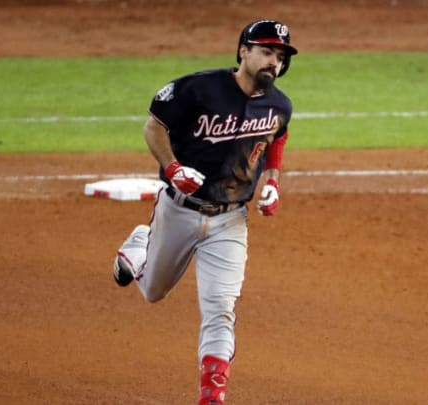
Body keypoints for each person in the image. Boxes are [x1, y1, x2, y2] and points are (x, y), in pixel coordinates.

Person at [112, 19, 298, 405]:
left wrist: (274, 182)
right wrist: (172, 168)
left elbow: (277, 136)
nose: (273, 62)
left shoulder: (279, 105)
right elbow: (154, 127)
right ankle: (137, 249)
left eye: (279, 57)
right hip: (178, 211)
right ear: (243, 52)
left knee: (221, 309)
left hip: (231, 220)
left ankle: (212, 397)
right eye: (265, 51)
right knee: (152, 293)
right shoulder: (196, 89)